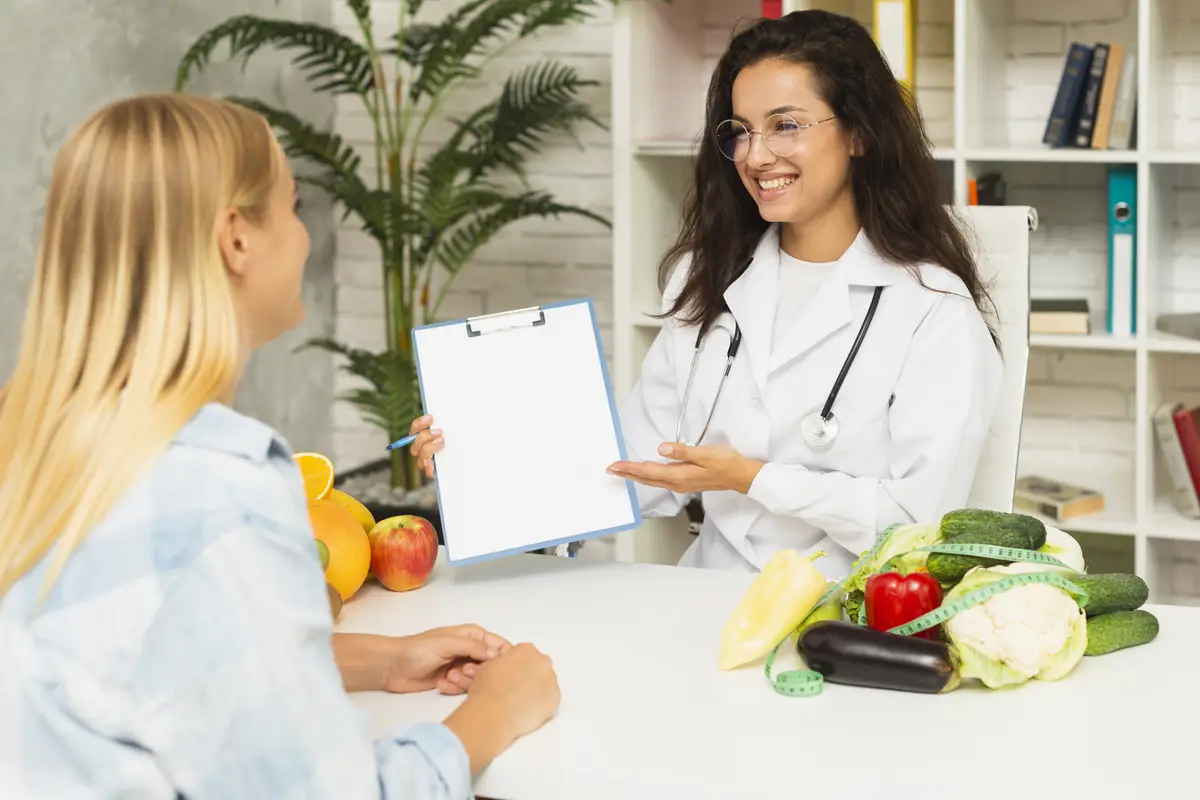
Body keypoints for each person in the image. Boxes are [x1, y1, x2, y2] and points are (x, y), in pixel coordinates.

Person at [0, 93, 559, 799]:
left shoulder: (36, 452)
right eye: (293, 207)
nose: (303, 238)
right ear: (235, 238)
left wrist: (376, 661)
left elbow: (136, 661)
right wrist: (495, 713)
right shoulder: (218, 502)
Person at [407, 10, 1005, 581]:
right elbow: (640, 467)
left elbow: (917, 523)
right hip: (705, 598)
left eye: (786, 125)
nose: (756, 154)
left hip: (849, 615)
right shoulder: (708, 277)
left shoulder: (932, 310)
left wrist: (752, 478)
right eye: (740, 132)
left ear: (859, 134)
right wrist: (488, 464)